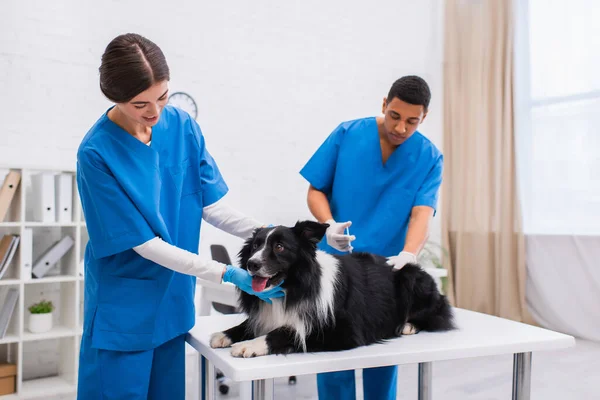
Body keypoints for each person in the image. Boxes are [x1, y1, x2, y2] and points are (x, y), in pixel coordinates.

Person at [76, 33, 283, 400]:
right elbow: (144, 244)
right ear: (114, 97)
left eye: (162, 96)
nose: (155, 112)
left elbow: (210, 205)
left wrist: (279, 236)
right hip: (123, 310)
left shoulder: (182, 126)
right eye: (140, 104)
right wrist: (225, 273)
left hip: (172, 302)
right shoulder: (96, 153)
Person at [300, 75, 443, 400]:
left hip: (384, 272)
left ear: (424, 118)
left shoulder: (429, 157)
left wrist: (409, 253)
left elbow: (422, 212)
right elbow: (315, 189)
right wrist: (328, 223)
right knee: (335, 357)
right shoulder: (348, 134)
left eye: (412, 121)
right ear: (384, 105)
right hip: (337, 269)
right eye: (395, 116)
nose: (401, 128)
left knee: (382, 358)